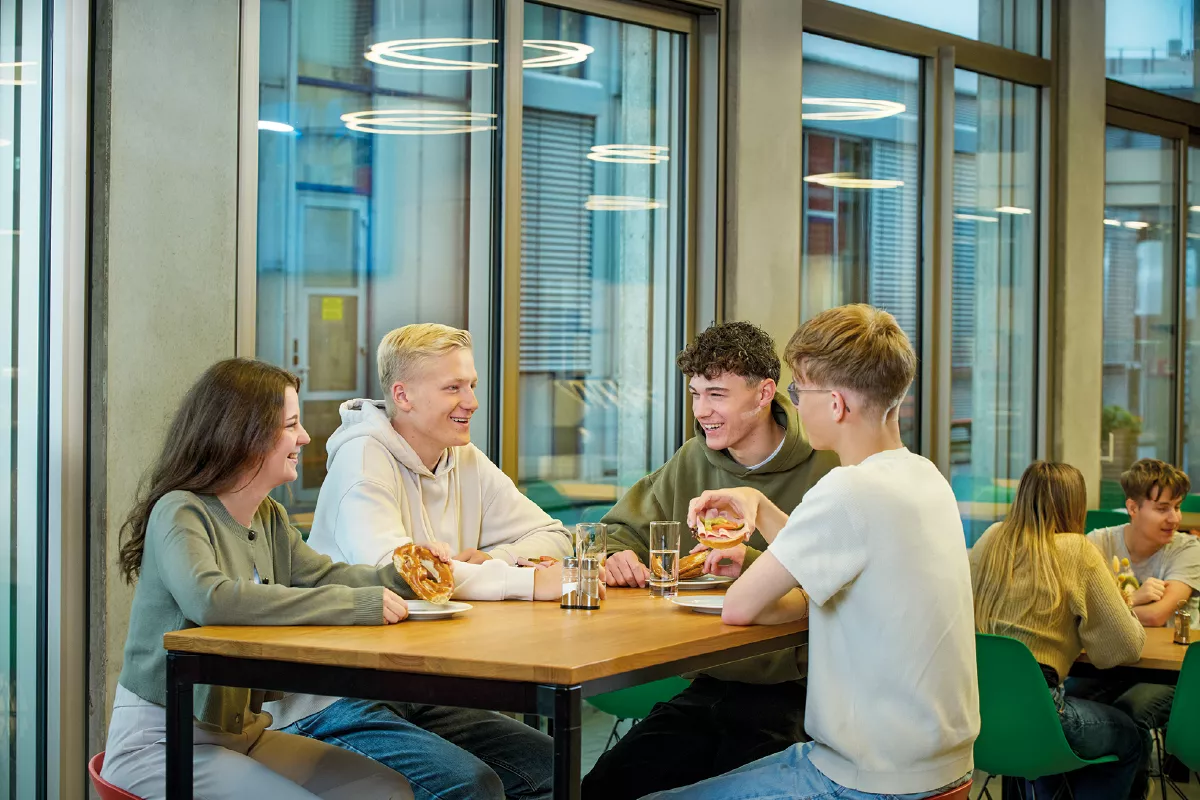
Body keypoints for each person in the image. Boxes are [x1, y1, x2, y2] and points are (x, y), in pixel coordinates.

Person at [645, 304, 979, 800]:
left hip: (863, 778)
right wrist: (759, 506)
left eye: (800, 391)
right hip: (943, 768)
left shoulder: (848, 489)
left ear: (838, 405)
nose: (795, 404)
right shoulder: (924, 477)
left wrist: (758, 563)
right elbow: (827, 569)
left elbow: (739, 607)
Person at [271, 323, 579, 800]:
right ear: (404, 395)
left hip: (421, 687)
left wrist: (497, 557)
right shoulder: (361, 461)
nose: (472, 401)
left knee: (551, 768)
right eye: (453, 387)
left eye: (471, 385)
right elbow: (403, 577)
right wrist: (521, 581)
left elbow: (554, 537)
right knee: (469, 785)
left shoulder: (464, 458)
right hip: (337, 695)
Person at [100, 358, 414, 799]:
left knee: (384, 788)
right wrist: (357, 606)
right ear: (244, 434)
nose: (304, 437)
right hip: (161, 745)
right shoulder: (179, 510)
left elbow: (324, 576)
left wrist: (406, 578)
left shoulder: (270, 516)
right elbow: (211, 599)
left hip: (244, 736)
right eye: (291, 425)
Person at [582, 321, 837, 800]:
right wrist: (617, 557)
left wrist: (753, 563)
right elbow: (618, 531)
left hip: (797, 695)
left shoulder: (830, 467)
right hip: (708, 682)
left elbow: (840, 584)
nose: (702, 411)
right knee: (600, 789)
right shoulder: (691, 459)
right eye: (696, 394)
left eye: (716, 394)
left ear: (764, 393)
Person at [971, 462, 1147, 799]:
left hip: (979, 717)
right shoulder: (1077, 551)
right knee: (1130, 734)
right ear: (1075, 504)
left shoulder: (990, 539)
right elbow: (1124, 649)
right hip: (1043, 716)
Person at [1070, 458, 1200, 797]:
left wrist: (1119, 604)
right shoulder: (1098, 543)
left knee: (1131, 714)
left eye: (1177, 507)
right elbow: (1078, 611)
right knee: (1069, 701)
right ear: (1132, 507)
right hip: (1112, 662)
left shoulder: (1187, 549)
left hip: (1173, 672)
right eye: (1162, 508)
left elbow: (1159, 615)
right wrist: (1135, 598)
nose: (1174, 518)